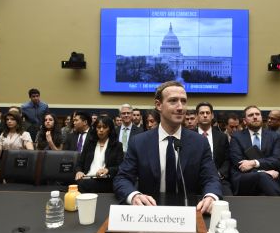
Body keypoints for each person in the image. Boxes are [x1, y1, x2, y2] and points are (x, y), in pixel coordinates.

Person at [113, 81, 222, 214]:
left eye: (183, 101)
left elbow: (211, 178)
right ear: (158, 105)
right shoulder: (139, 142)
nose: (180, 107)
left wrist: (211, 196)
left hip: (189, 213)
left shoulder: (200, 142)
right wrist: (134, 196)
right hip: (149, 213)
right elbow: (122, 178)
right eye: (173, 101)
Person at [230, 105, 280, 196]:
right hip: (244, 178)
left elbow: (277, 160)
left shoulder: (274, 136)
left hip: (271, 178)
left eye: (257, 114)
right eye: (251, 115)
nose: (255, 117)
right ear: (244, 121)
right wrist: (264, 173)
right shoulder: (237, 137)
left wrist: (254, 162)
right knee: (262, 176)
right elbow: (239, 163)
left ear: (261, 117)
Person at [75, 116, 123, 193]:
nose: (101, 130)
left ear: (109, 129)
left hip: (105, 181)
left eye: (104, 127)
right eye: (98, 127)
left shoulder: (117, 145)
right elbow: (79, 163)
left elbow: (120, 166)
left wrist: (107, 170)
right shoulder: (89, 144)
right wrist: (79, 171)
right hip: (86, 178)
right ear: (95, 129)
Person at [196, 102, 233, 195]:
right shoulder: (188, 135)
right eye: (201, 113)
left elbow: (227, 159)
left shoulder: (222, 137)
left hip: (217, 178)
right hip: (194, 179)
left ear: (212, 115)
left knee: (229, 200)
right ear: (197, 116)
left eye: (207, 113)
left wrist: (220, 173)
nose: (205, 115)